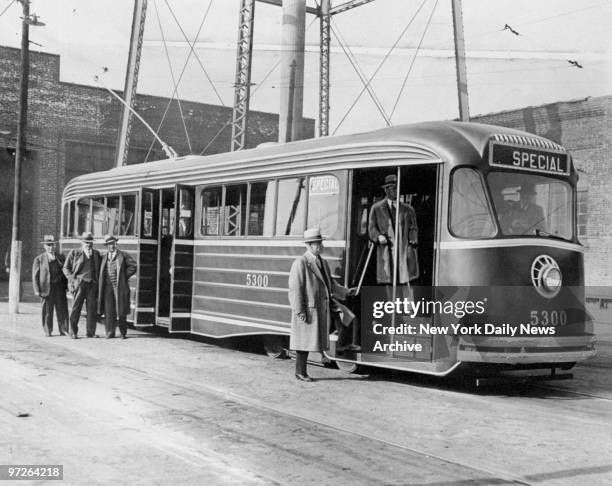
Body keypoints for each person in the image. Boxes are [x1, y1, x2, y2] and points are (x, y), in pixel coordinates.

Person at [288, 228, 356, 382]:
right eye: (317, 243)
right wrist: (300, 311)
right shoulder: (301, 263)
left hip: (324, 304)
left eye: (320, 243)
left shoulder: (322, 262)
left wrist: (346, 292)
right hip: (309, 308)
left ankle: (343, 346)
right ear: (309, 245)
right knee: (303, 341)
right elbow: (295, 289)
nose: (320, 245)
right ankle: (300, 372)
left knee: (347, 316)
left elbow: (331, 284)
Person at [368, 174, 418, 284]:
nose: (397, 191)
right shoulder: (376, 208)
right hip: (387, 251)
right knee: (388, 282)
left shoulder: (409, 209)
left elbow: (413, 228)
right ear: (386, 190)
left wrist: (412, 240)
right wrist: (378, 236)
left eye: (398, 188)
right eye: (394, 188)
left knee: (406, 282)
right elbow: (371, 228)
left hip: (403, 251)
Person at [97, 234, 137, 339]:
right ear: (106, 246)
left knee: (121, 309)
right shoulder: (104, 257)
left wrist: (124, 276)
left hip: (120, 286)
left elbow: (133, 266)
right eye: (109, 244)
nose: (111, 246)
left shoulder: (123, 255)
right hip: (107, 287)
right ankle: (110, 332)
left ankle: (123, 332)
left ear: (115, 244)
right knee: (108, 310)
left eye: (113, 243)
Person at [63, 231, 101, 338]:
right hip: (79, 284)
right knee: (76, 308)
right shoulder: (75, 253)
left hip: (92, 284)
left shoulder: (96, 254)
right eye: (86, 242)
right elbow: (66, 268)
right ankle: (73, 332)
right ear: (82, 243)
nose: (88, 244)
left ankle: (91, 332)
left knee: (91, 309)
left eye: (90, 242)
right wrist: (72, 279)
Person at [32, 235, 69, 336]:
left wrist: (68, 286)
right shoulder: (39, 259)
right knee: (47, 310)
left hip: (60, 288)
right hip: (46, 288)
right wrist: (37, 289)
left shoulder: (60, 257)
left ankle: (64, 330)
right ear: (44, 246)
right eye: (48, 245)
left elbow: (66, 271)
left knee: (62, 309)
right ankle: (48, 330)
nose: (51, 247)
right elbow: (35, 276)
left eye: (52, 245)